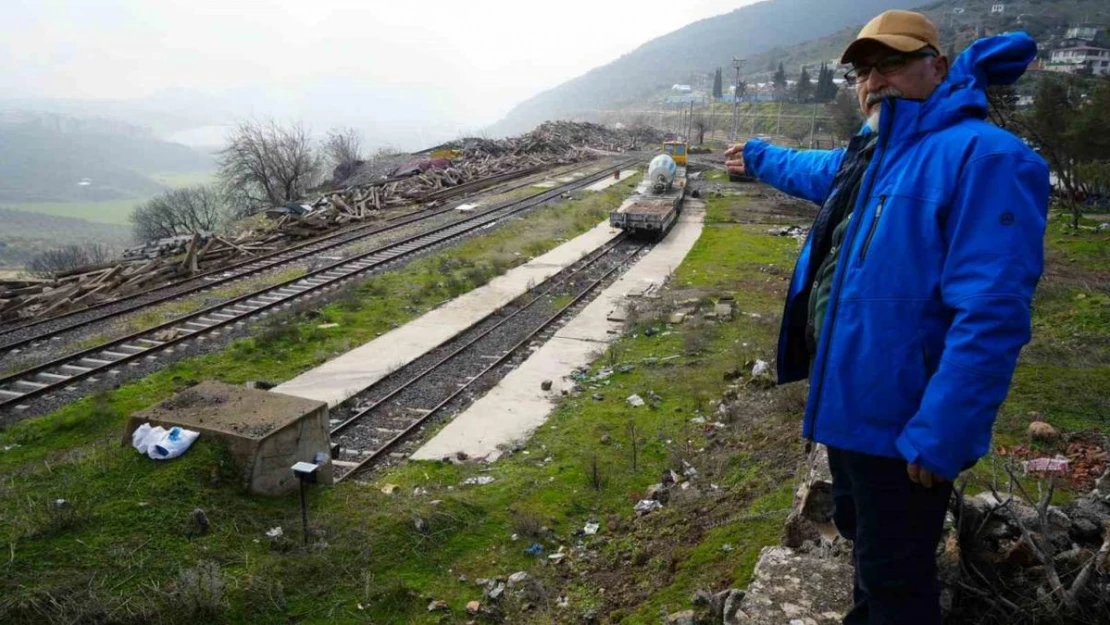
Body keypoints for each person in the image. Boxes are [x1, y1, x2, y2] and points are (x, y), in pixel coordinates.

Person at [724, 10, 1048, 625]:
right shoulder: (877, 157)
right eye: (863, 70)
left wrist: (944, 432)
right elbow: (814, 170)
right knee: (866, 543)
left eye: (892, 62)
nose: (875, 79)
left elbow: (992, 313)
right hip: (849, 406)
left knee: (896, 581)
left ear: (938, 67)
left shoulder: (985, 157)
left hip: (903, 425)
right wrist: (758, 156)